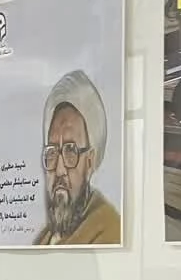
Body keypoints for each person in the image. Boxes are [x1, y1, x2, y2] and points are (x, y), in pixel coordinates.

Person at [35, 69, 121, 246]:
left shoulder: (108, 230)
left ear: (89, 161)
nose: (59, 170)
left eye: (70, 151)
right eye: (52, 152)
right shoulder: (44, 238)